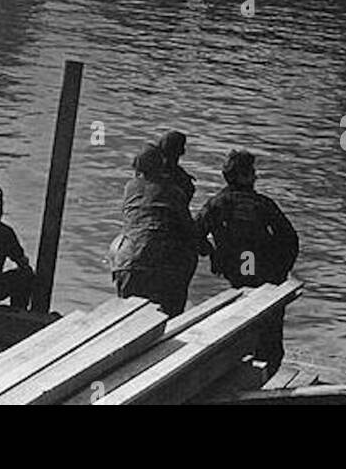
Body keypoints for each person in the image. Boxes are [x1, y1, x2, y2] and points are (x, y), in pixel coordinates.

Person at [196, 150, 299, 371]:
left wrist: (213, 253)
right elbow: (289, 238)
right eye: (252, 172)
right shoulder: (262, 204)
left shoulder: (217, 204)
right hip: (263, 269)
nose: (256, 177)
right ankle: (265, 366)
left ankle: (245, 361)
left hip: (240, 268)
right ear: (242, 176)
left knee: (244, 317)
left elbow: (195, 233)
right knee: (269, 333)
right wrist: (282, 269)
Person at [110, 144, 200, 316]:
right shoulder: (174, 191)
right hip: (164, 266)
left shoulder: (130, 188)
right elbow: (190, 231)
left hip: (127, 263)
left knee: (128, 319)